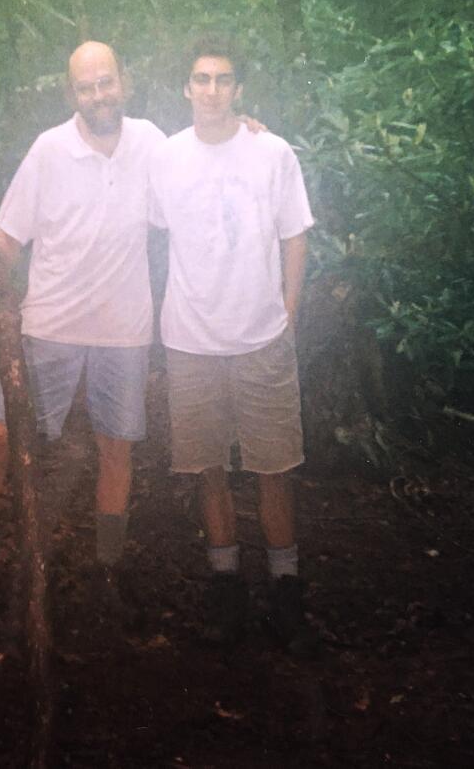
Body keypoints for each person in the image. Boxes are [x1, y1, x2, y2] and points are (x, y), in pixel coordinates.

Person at [0, 41, 162, 575]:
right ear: (72, 93)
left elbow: (203, 174)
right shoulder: (48, 150)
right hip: (50, 325)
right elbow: (5, 241)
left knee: (117, 450)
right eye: (87, 86)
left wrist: (243, 126)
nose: (99, 95)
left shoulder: (153, 145)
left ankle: (105, 575)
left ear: (124, 83)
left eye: (106, 82)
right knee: (1, 435)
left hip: (124, 331)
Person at [149, 36, 316, 652]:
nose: (212, 90)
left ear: (238, 88)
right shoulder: (165, 157)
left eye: (223, 80)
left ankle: (286, 585)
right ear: (186, 88)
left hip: (261, 336)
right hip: (190, 339)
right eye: (201, 79)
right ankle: (225, 584)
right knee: (207, 467)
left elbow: (295, 234)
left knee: (274, 468)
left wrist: (289, 308)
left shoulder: (272, 153)